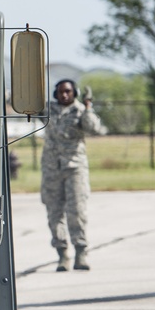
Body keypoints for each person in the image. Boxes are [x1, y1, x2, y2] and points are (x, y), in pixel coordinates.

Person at [41, 79, 104, 271]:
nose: (64, 95)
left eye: (68, 91)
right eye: (60, 92)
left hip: (75, 168)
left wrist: (88, 107)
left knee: (77, 211)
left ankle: (81, 252)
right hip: (52, 169)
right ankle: (62, 254)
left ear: (74, 93)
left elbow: (94, 129)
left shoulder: (81, 111)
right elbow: (24, 106)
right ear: (55, 94)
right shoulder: (48, 109)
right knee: (54, 212)